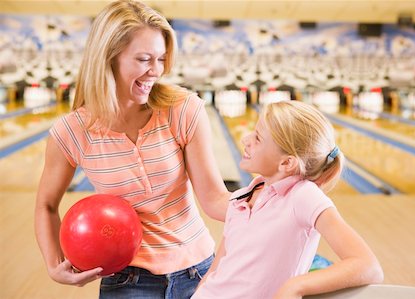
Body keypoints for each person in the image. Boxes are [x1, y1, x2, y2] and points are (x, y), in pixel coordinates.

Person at [34, 1, 230, 298]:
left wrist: (267, 204)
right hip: (128, 281)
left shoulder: (183, 109)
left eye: (162, 59)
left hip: (199, 271)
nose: (156, 71)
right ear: (109, 58)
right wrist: (53, 264)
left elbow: (215, 198)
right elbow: (46, 205)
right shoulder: (73, 132)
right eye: (143, 59)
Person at [192, 101, 384, 299]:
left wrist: (295, 286)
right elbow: (218, 268)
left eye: (257, 138)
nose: (245, 140)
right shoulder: (242, 197)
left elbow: (367, 266)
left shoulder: (303, 196)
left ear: (287, 162)